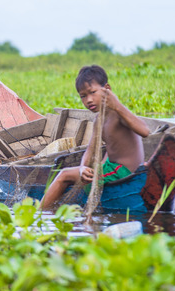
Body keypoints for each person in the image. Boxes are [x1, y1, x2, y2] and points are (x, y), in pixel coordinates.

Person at [41, 65, 150, 210]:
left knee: (64, 174)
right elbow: (91, 150)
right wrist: (82, 168)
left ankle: (39, 214)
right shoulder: (99, 119)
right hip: (112, 167)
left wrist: (117, 105)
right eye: (83, 96)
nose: (89, 100)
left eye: (93, 92)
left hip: (123, 171)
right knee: (84, 170)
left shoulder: (118, 113)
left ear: (107, 89)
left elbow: (145, 131)